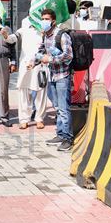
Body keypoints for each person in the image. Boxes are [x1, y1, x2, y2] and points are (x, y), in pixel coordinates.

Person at [37, 9, 74, 150]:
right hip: (52, 75)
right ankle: (60, 134)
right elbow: (41, 51)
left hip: (62, 76)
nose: (44, 21)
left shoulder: (62, 36)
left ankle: (68, 138)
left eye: (46, 19)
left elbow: (68, 56)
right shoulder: (46, 36)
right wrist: (34, 61)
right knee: (57, 107)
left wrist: (50, 59)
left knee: (64, 109)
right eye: (42, 18)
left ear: (53, 21)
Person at [15, 15, 48, 129]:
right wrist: (5, 36)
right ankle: (24, 119)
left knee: (41, 90)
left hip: (41, 64)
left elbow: (46, 46)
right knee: (23, 90)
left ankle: (39, 118)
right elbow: (14, 37)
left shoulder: (45, 26)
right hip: (25, 64)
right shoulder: (24, 24)